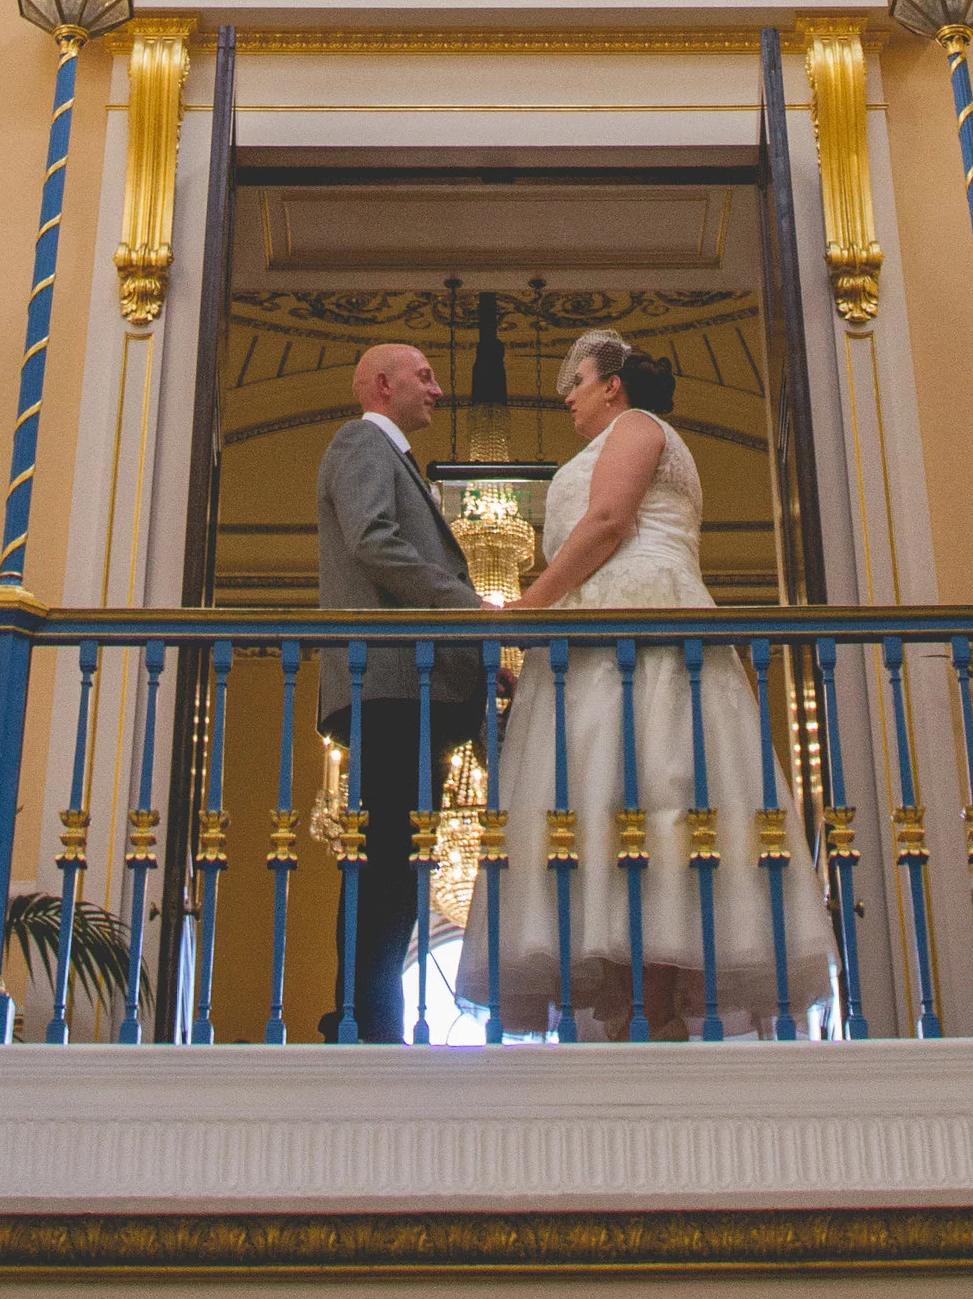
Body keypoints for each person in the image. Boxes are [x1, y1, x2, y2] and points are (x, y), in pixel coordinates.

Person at [462, 328, 838, 1039]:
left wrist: (526, 608)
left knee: (654, 787)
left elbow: (608, 521)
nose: (567, 397)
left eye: (575, 381)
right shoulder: (607, 437)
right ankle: (619, 996)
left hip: (641, 620)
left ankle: (650, 1003)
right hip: (594, 633)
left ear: (614, 383)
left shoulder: (638, 426)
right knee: (597, 797)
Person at [314, 338, 481, 1042]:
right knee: (388, 860)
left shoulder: (392, 458)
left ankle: (366, 1011)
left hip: (413, 688)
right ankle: (361, 1015)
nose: (437, 389)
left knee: (400, 857)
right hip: (388, 688)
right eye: (425, 376)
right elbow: (374, 543)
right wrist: (470, 610)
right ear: (383, 386)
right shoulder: (361, 444)